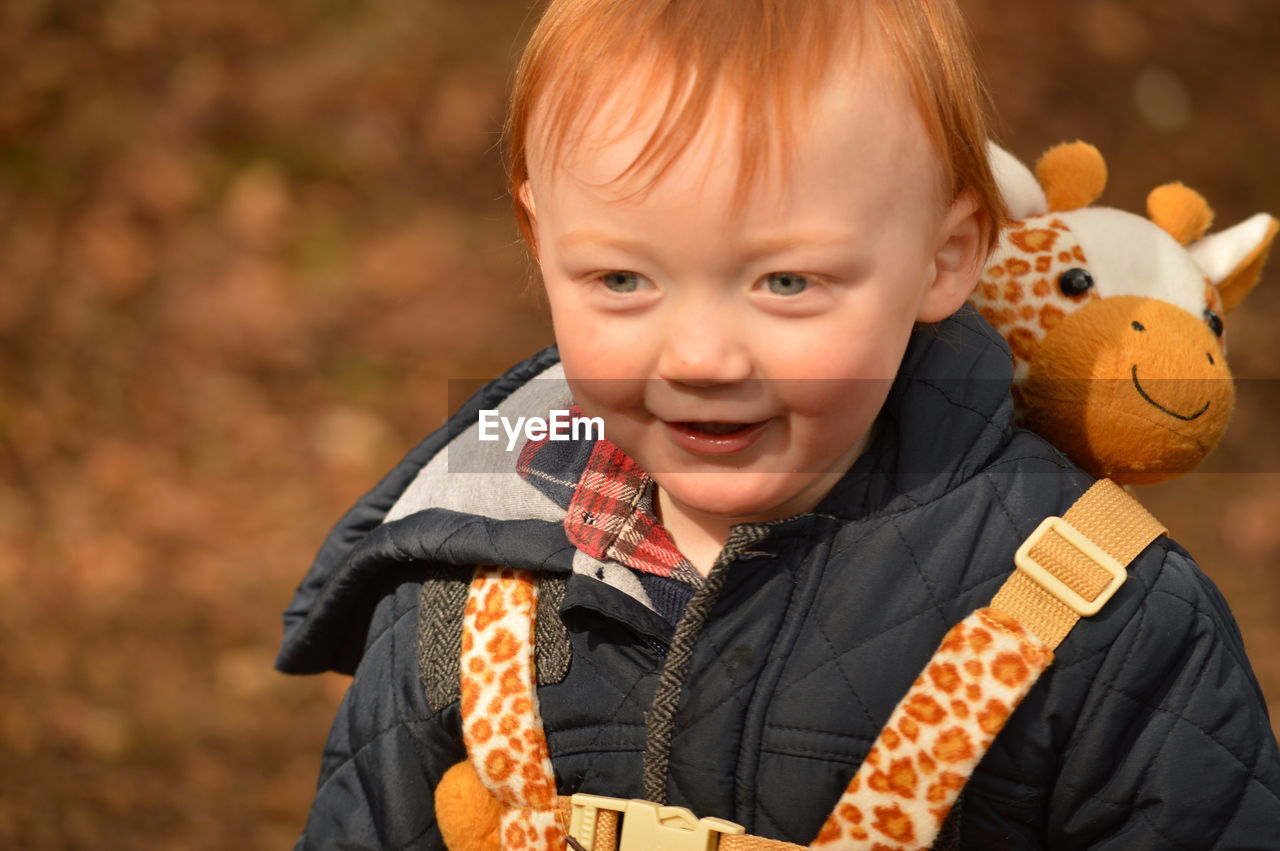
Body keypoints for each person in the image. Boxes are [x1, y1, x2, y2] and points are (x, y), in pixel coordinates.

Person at [276, 0, 1280, 847]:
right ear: (542, 240)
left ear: (945, 255)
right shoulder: (463, 586)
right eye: (621, 278)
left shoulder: (1100, 620)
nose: (701, 356)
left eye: (786, 280)